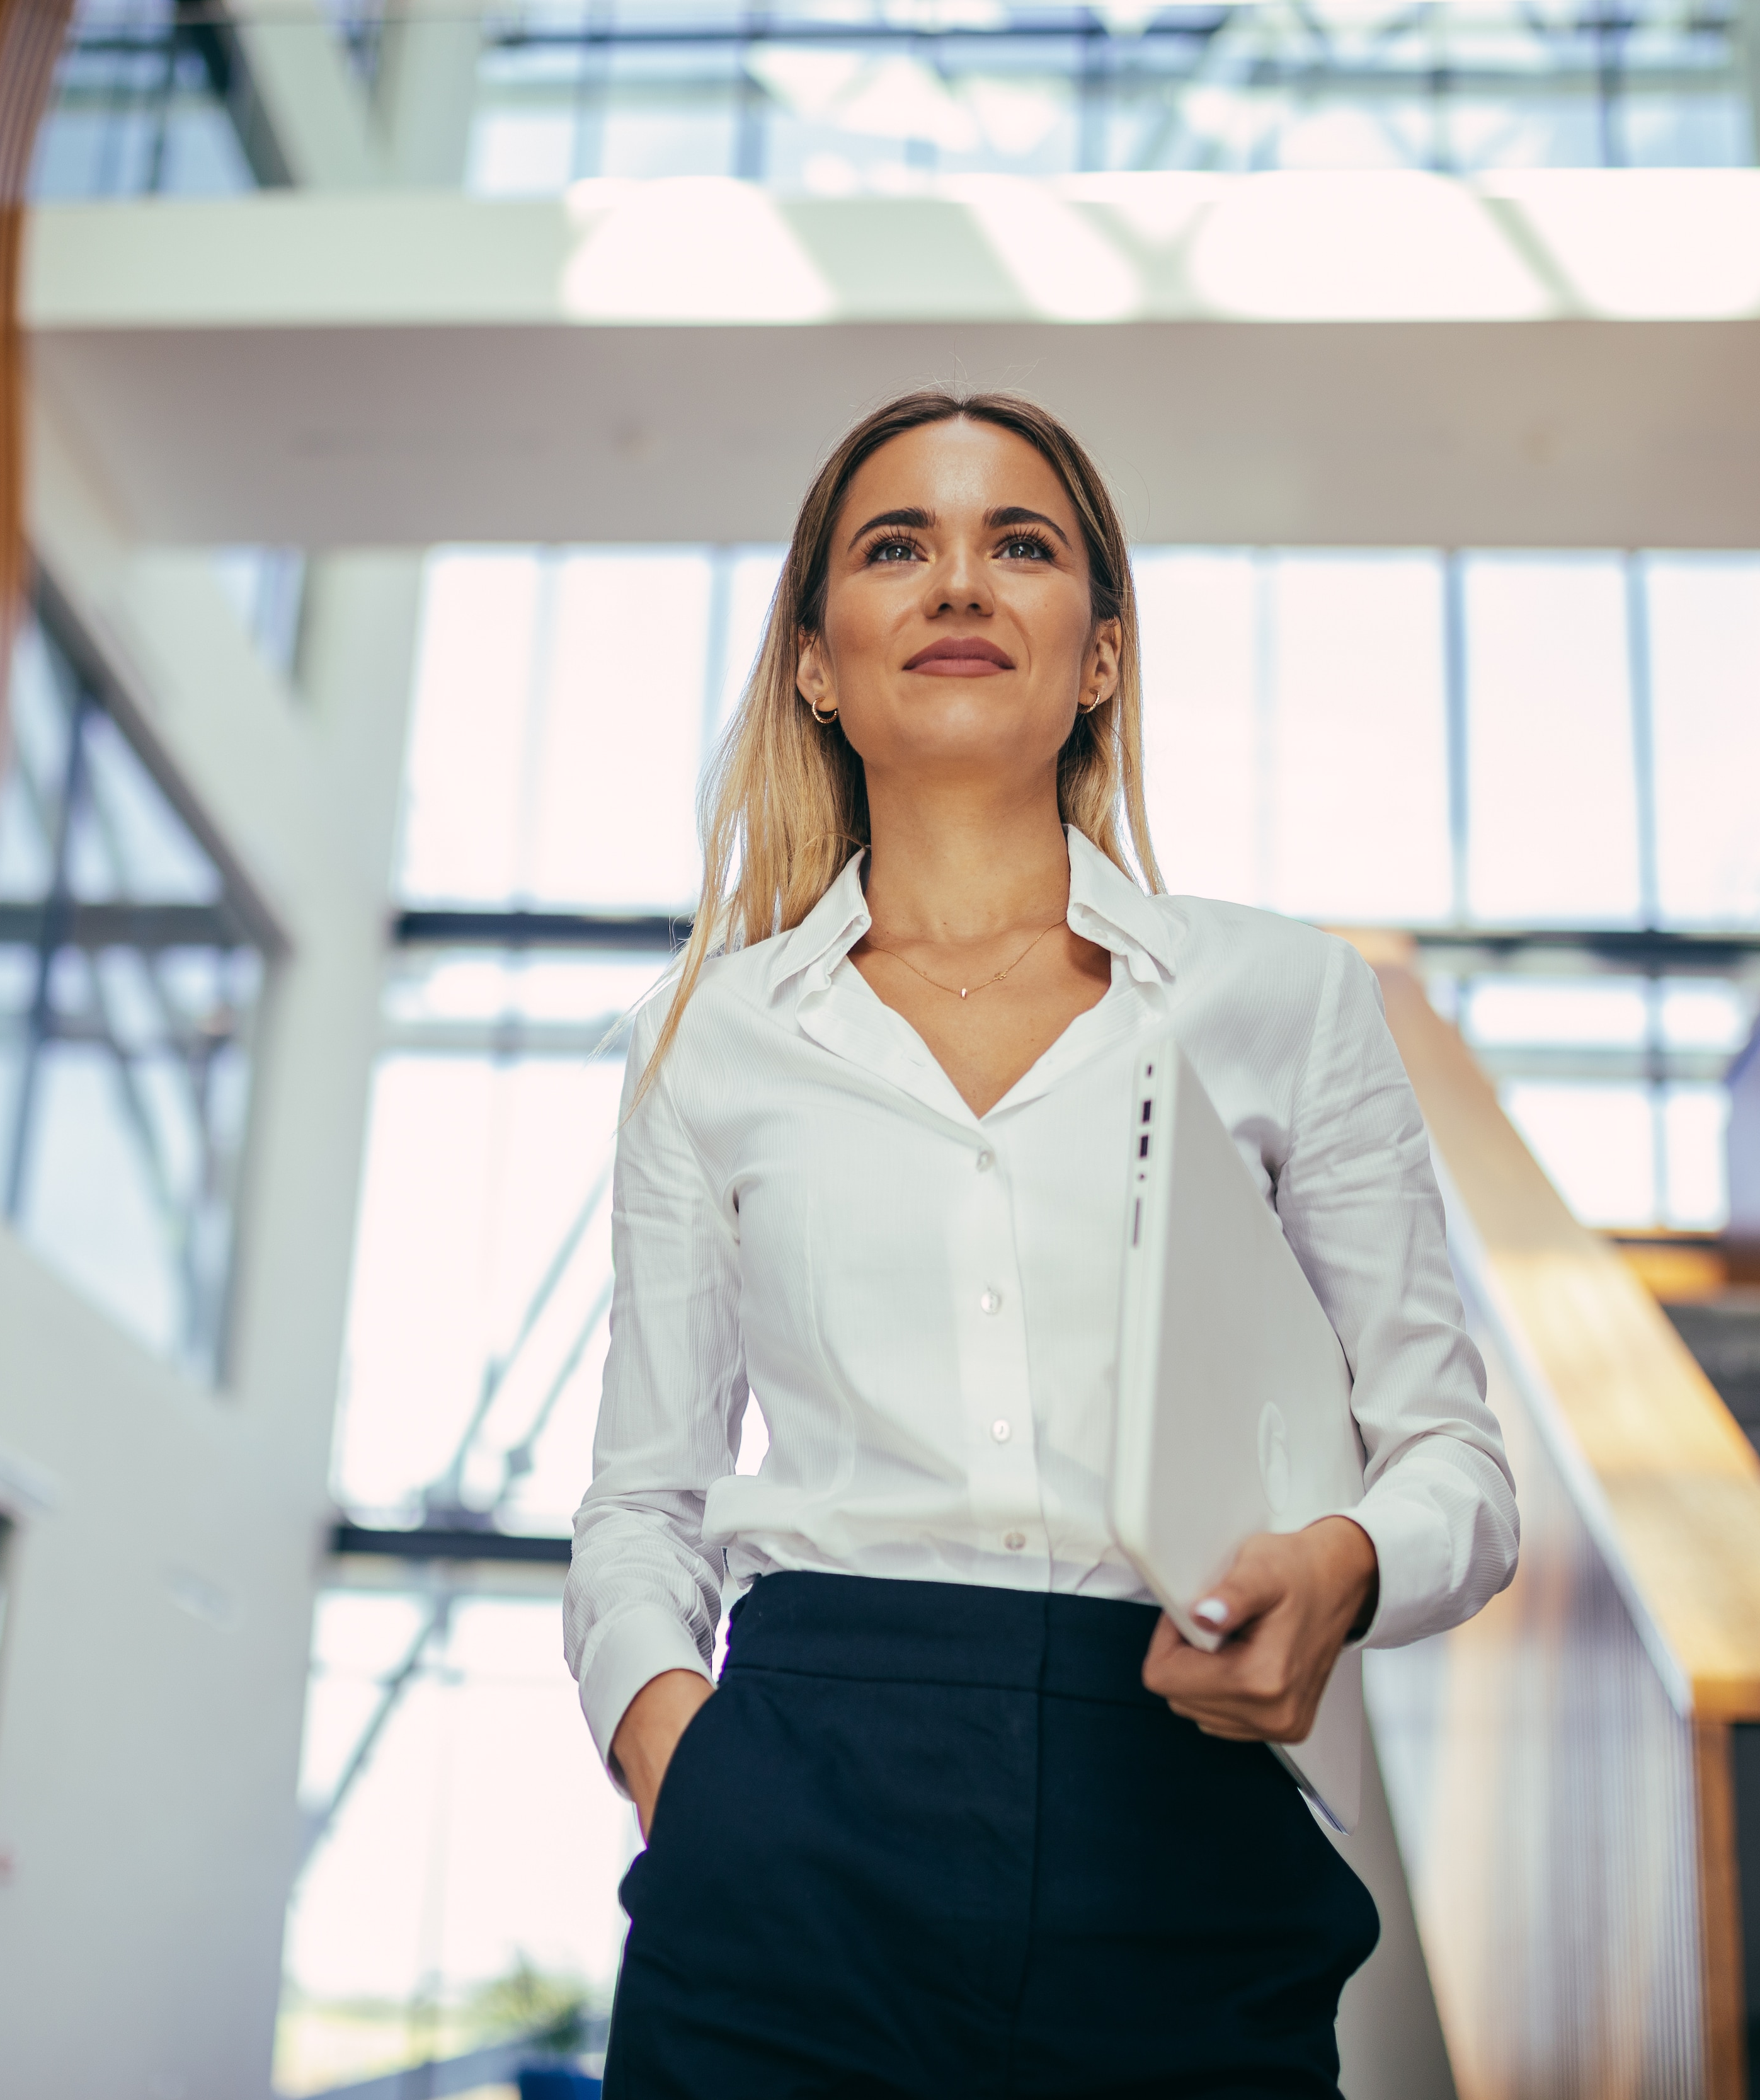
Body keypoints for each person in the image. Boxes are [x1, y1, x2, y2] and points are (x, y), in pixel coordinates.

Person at [563, 389, 1517, 2099]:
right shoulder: (706, 1040)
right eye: (895, 547)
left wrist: (1345, 1570)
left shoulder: (1284, 1001)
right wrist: (675, 1755)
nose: (958, 585)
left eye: (1020, 545)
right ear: (816, 662)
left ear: (1096, 657)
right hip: (796, 1817)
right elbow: (646, 1493)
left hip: (1182, 1814)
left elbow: (1454, 1463)